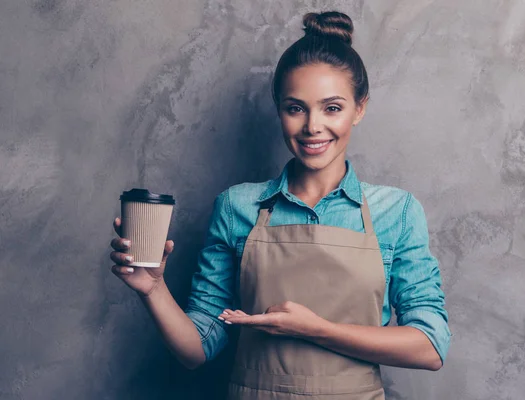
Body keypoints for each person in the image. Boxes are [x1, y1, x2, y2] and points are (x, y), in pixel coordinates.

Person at [110, 10, 450, 399]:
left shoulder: (398, 212)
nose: (312, 126)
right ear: (279, 110)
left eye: (332, 108)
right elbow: (197, 349)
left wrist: (315, 329)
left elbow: (431, 346)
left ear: (360, 108)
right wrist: (152, 289)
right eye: (295, 107)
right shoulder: (236, 206)